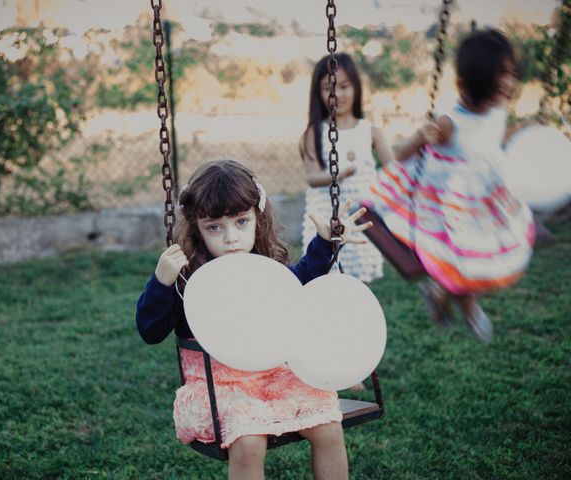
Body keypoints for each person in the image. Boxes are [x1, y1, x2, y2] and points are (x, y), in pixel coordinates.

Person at [136, 160, 373, 480]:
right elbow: (151, 331)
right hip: (218, 387)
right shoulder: (188, 281)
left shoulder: (264, 272)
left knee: (328, 426)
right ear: (197, 228)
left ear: (257, 220)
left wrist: (326, 242)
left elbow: (300, 280)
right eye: (215, 227)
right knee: (248, 442)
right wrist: (161, 283)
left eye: (241, 222)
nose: (231, 237)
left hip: (272, 377)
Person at [368, 28, 535, 343]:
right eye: (500, 77)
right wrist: (421, 137)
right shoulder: (448, 122)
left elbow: (490, 142)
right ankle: (459, 300)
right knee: (464, 259)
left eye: (512, 74)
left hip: (484, 201)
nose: (509, 83)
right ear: (470, 83)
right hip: (446, 206)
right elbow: (401, 152)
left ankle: (442, 295)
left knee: (494, 256)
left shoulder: (497, 108)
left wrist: (522, 132)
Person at [300, 52, 396, 285]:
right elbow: (312, 176)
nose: (337, 94)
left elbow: (394, 167)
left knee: (357, 281)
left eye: (344, 86)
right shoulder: (315, 132)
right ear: (318, 93)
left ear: (356, 87)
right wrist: (338, 174)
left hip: (360, 217)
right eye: (327, 88)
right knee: (324, 278)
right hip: (326, 215)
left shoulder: (370, 131)